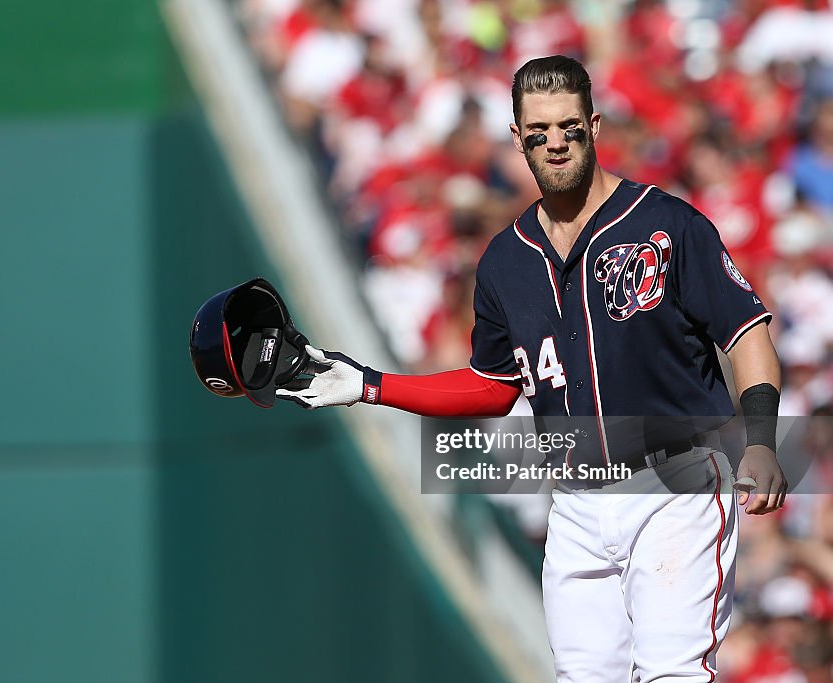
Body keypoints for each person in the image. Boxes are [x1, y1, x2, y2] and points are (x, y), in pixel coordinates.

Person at [278, 55, 788, 682]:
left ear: (595, 126)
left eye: (569, 126)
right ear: (517, 137)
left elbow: (747, 332)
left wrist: (761, 438)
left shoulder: (665, 223)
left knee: (672, 674)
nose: (555, 142)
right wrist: (370, 385)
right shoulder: (504, 262)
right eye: (539, 130)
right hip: (574, 499)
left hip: (675, 481)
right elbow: (491, 387)